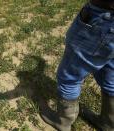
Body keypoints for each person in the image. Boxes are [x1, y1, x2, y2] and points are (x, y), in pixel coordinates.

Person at [40, 0, 114, 131]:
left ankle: (63, 121)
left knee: (69, 77)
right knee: (111, 75)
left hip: (103, 18)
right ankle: (108, 123)